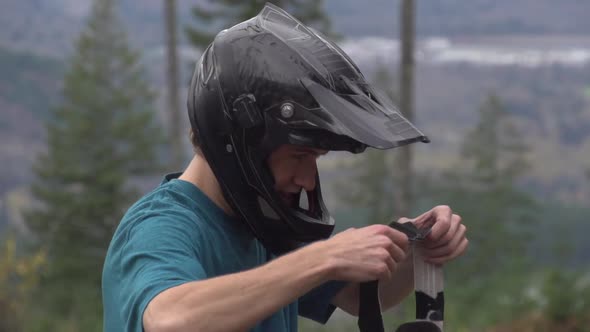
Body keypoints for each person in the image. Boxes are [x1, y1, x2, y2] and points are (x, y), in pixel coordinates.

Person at [102, 4, 468, 332]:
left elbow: (360, 298)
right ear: (241, 143)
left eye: (315, 160)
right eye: (298, 156)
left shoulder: (265, 222)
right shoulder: (161, 226)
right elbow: (170, 320)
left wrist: (419, 251)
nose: (307, 179)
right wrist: (323, 257)